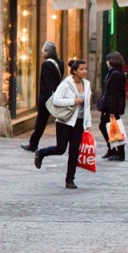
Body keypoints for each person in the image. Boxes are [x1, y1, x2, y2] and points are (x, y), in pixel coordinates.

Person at [34, 59, 91, 189]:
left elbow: (87, 106)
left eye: (85, 69)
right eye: (82, 69)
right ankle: (41, 153)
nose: (84, 71)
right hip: (65, 121)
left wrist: (88, 123)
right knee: (61, 149)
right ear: (75, 71)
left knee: (74, 151)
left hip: (79, 122)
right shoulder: (66, 84)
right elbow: (56, 100)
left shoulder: (87, 84)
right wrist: (73, 101)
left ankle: (70, 179)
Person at [21, 41, 64, 152]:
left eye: (44, 50)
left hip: (47, 99)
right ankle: (64, 140)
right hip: (57, 96)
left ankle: (33, 144)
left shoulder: (46, 64)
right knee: (60, 120)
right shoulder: (60, 62)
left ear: (49, 52)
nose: (42, 52)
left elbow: (48, 83)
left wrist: (47, 98)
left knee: (40, 122)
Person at [97, 51, 126, 161]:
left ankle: (119, 153)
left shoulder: (115, 74)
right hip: (109, 107)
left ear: (112, 61)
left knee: (115, 129)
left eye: (108, 60)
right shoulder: (113, 73)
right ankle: (112, 150)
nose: (106, 62)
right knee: (107, 127)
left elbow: (115, 94)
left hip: (112, 107)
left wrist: (113, 112)